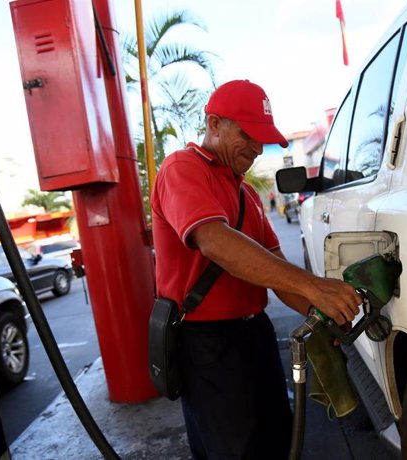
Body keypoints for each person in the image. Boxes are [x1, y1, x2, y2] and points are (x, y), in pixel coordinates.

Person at [151, 79, 361, 460]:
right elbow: (214, 240)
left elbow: (277, 269)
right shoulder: (182, 168)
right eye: (248, 135)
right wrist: (316, 288)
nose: (256, 148)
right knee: (234, 450)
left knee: (276, 438)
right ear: (214, 124)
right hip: (207, 342)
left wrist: (322, 314)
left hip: (255, 334)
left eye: (262, 139)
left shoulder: (245, 192)